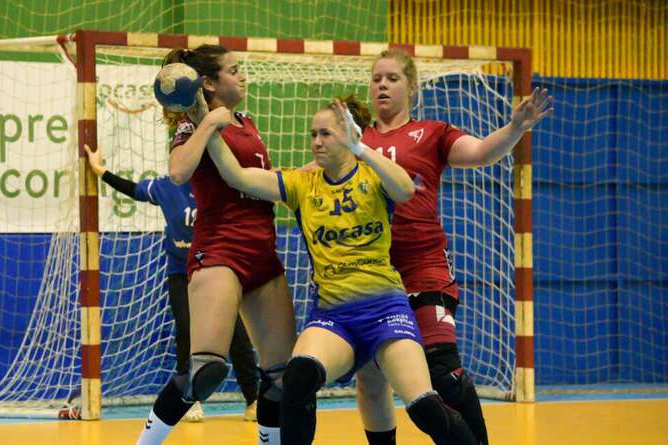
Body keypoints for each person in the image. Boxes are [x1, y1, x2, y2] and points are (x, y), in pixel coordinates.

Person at [203, 95, 477, 445]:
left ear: (348, 135)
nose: (317, 142)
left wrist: (362, 149)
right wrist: (207, 124)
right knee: (298, 376)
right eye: (313, 134)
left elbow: (406, 189)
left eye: (326, 134)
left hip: (385, 311)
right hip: (334, 317)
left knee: (425, 408)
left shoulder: (373, 176)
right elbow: (237, 176)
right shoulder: (302, 184)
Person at [354, 48, 553, 445]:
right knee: (372, 377)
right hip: (373, 274)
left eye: (392, 78)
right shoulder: (357, 140)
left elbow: (480, 153)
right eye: (376, 78)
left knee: (441, 369)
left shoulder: (431, 133)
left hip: (424, 266)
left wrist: (515, 129)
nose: (382, 85)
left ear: (412, 87)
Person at [134, 44, 297, 445]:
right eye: (234, 70)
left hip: (264, 252)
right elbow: (176, 172)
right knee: (204, 370)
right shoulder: (192, 126)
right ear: (208, 83)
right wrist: (207, 122)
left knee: (280, 376)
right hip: (221, 249)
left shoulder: (249, 123)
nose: (243, 76)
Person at [83, 144, 259, 422]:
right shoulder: (165, 188)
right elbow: (133, 189)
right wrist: (99, 170)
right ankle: (190, 400)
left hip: (217, 272)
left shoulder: (220, 185)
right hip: (182, 274)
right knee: (187, 333)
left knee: (236, 336)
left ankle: (253, 399)